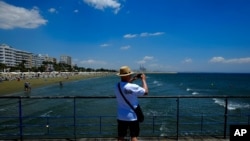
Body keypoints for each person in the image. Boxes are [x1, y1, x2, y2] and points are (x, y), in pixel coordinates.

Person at [115, 66, 148, 141]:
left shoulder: (116, 86)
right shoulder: (133, 86)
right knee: (133, 136)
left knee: (121, 136)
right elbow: (145, 92)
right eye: (129, 75)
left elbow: (125, 86)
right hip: (132, 116)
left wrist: (133, 79)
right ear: (127, 75)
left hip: (121, 116)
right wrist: (143, 80)